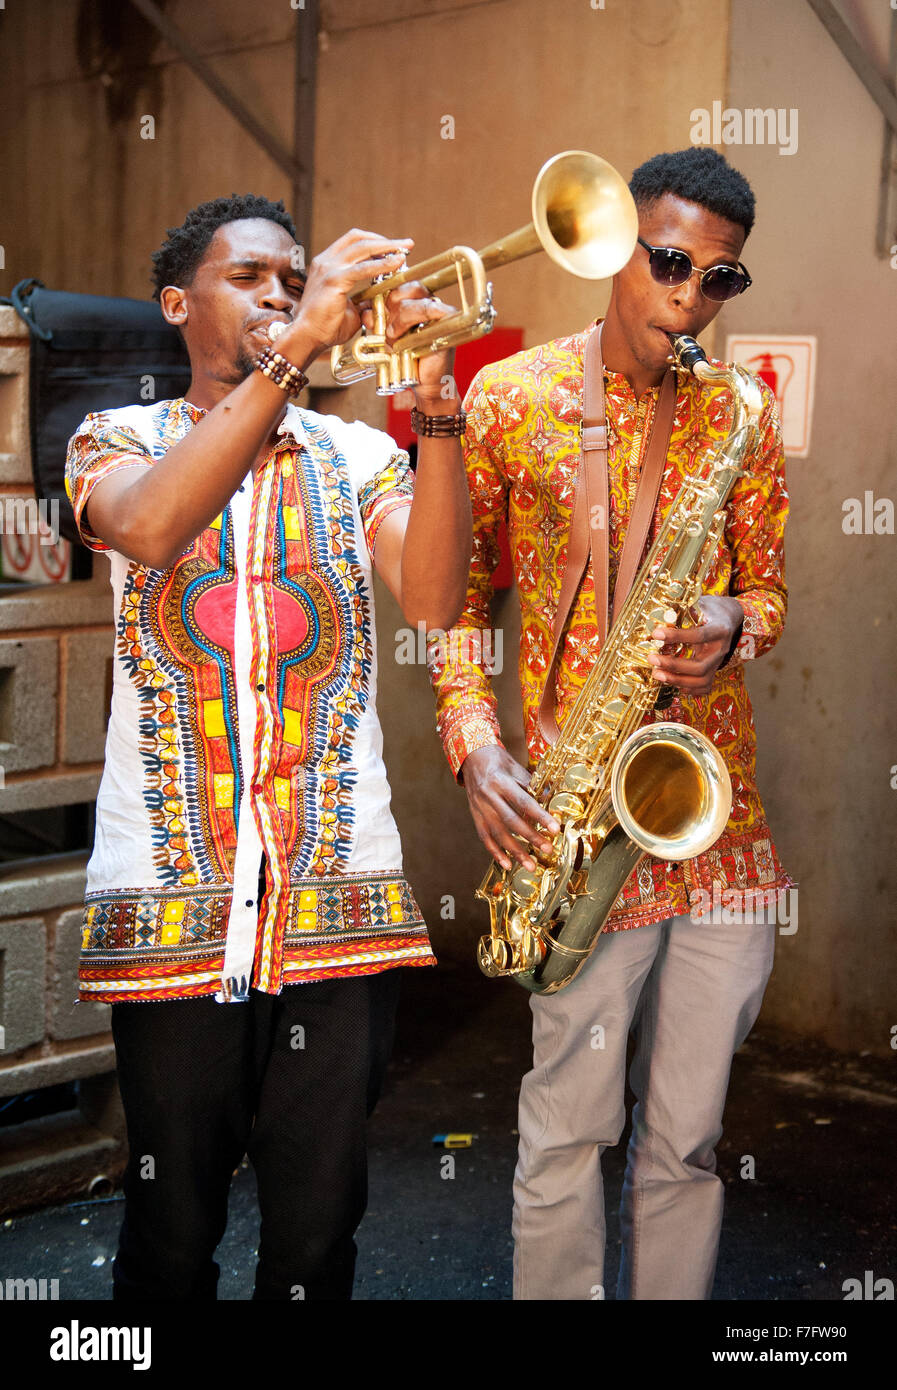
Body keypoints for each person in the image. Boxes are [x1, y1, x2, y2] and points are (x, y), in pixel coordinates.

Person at [65, 193, 471, 1300]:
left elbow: (436, 600)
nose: (283, 295)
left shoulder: (354, 455)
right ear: (176, 303)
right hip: (173, 907)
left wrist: (436, 416)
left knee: (314, 1241)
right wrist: (293, 354)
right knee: (170, 1234)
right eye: (251, 277)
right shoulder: (116, 438)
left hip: (335, 914)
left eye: (295, 281)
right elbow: (150, 526)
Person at [429, 148, 790, 1300]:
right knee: (568, 1131)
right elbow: (447, 604)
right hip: (581, 829)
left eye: (719, 279)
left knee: (685, 1143)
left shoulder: (740, 413)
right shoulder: (511, 397)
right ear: (613, 246)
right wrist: (475, 746)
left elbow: (773, 593)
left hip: (714, 825)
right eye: (672, 260)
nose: (690, 295)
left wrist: (738, 620)